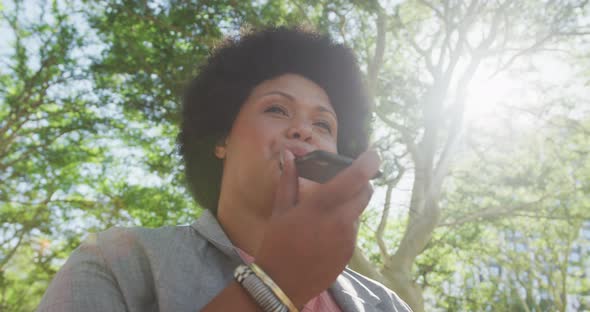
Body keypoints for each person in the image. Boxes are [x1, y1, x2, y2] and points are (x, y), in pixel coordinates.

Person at [37, 26, 412, 312]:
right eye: (277, 110)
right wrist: (275, 284)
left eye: (324, 125)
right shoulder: (121, 263)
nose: (303, 130)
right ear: (222, 140)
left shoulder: (385, 303)